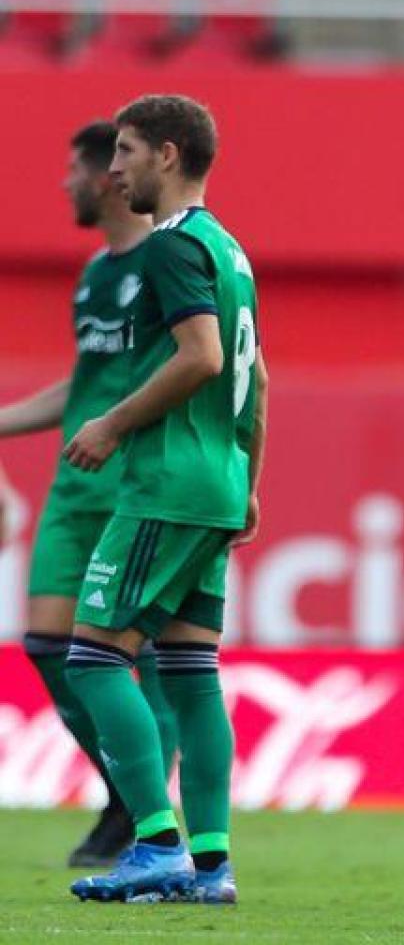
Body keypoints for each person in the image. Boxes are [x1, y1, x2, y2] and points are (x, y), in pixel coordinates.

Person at [63, 94, 267, 905]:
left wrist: (111, 422)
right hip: (216, 479)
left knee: (93, 656)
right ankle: (212, 867)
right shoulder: (231, 250)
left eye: (125, 151)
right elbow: (259, 375)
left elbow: (206, 357)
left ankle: (154, 843)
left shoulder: (170, 247)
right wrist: (249, 482)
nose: (113, 171)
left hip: (168, 482)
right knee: (190, 669)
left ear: (169, 156)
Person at [0, 120, 179, 868]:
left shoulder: (168, 263)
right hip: (76, 485)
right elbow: (88, 383)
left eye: (77, 169)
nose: (67, 183)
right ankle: (125, 793)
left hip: (135, 479)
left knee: (144, 655)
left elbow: (197, 365)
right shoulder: (96, 273)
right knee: (47, 644)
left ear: (110, 176)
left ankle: (150, 816)